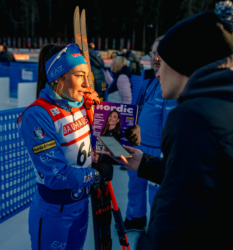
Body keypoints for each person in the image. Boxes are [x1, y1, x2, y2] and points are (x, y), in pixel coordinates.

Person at [111, 1, 233, 249]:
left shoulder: (193, 116)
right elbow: (199, 181)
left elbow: (176, 221)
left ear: (181, 63)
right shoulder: (219, 104)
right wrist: (145, 163)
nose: (157, 72)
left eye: (162, 61)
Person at [17, 43, 113, 250]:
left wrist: (124, 136)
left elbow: (101, 146)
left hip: (81, 203)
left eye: (87, 75)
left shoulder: (81, 106)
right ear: (58, 77)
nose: (87, 83)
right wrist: (96, 174)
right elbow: (57, 175)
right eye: (79, 75)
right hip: (54, 209)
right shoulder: (37, 114)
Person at [124, 36, 177, 232]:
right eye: (154, 53)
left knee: (157, 193)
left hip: (160, 150)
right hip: (139, 145)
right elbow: (137, 109)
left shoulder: (175, 83)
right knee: (135, 187)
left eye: (161, 54)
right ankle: (135, 219)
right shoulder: (148, 80)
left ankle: (157, 228)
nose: (156, 58)